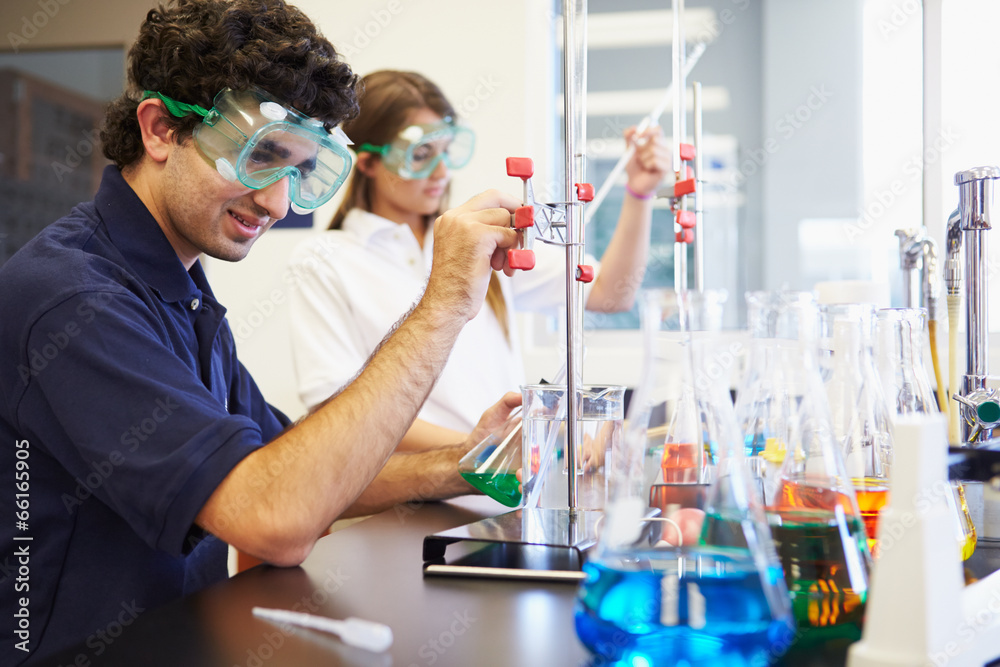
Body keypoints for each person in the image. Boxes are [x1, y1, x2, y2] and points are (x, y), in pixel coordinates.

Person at [0, 1, 523, 663]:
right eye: (261, 157)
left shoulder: (183, 292)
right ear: (161, 129)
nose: (277, 202)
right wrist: (444, 304)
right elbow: (276, 516)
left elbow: (295, 466)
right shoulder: (69, 296)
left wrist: (465, 462)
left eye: (300, 172)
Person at [289, 70, 669, 451]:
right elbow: (334, 412)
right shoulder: (326, 261)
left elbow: (610, 294)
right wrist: (490, 450)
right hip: (419, 500)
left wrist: (638, 194)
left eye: (445, 152)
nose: (441, 172)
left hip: (507, 491)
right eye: (420, 155)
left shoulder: (474, 240)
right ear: (368, 162)